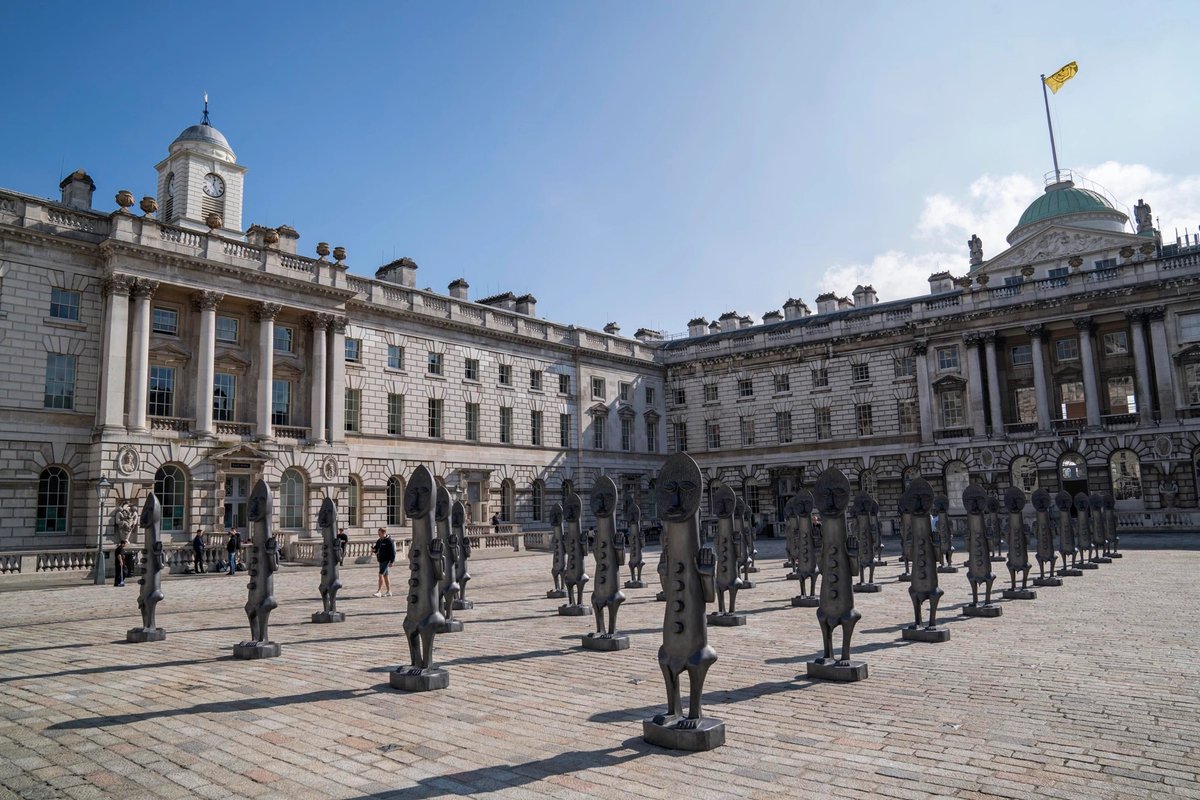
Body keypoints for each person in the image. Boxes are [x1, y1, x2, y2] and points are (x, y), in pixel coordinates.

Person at [372, 527, 395, 597]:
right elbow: (376, 548)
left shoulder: (389, 541)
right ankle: (389, 591)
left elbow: (393, 552)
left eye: (380, 534)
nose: (379, 535)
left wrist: (392, 561)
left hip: (386, 560)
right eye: (378, 534)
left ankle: (379, 591)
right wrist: (374, 550)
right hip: (381, 560)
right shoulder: (379, 540)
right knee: (385, 576)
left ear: (384, 533)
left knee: (380, 574)